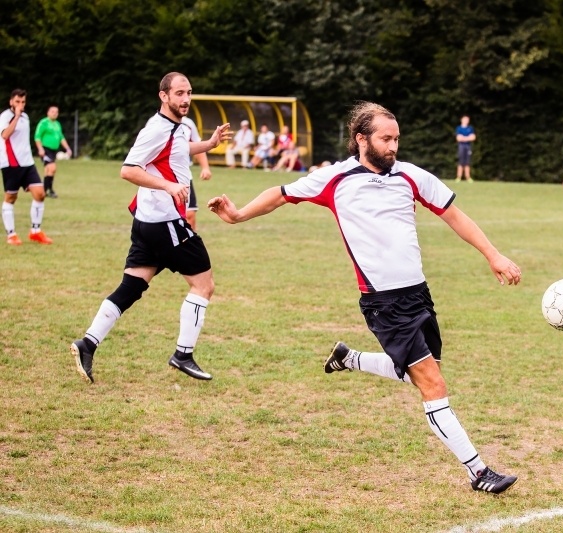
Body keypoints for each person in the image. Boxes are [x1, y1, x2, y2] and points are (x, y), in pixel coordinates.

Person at [208, 101, 522, 494]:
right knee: (431, 384)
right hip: (383, 301)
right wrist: (238, 215)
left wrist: (493, 254)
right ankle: (478, 472)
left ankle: (350, 359)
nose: (393, 147)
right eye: (385, 139)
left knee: (418, 372)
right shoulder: (334, 178)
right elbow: (280, 194)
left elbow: (453, 214)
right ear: (361, 139)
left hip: (418, 294)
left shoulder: (410, 176)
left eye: (396, 139)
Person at [70, 72, 232, 384]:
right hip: (165, 222)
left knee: (131, 287)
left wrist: (209, 143)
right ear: (164, 96)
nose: (185, 99)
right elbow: (128, 170)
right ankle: (183, 354)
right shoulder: (156, 128)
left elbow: (179, 150)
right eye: (179, 93)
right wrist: (169, 186)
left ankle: (87, 343)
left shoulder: (178, 127)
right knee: (203, 285)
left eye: (189, 92)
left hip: (147, 223)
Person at [1, 89, 53, 245]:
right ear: (11, 101)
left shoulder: (26, 117)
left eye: (23, 102)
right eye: (17, 101)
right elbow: (5, 135)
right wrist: (16, 116)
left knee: (40, 193)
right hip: (11, 163)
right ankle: (11, 234)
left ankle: (35, 231)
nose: (20, 105)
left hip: (27, 163)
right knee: (11, 197)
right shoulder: (5, 116)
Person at [34, 105, 72, 198]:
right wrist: (40, 149)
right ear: (48, 112)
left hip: (54, 150)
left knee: (49, 171)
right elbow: (37, 136)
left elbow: (61, 137)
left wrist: (67, 148)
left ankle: (47, 190)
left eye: (56, 112)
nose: (55, 113)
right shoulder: (44, 123)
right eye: (52, 111)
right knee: (52, 168)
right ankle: (45, 191)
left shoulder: (57, 124)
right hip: (45, 149)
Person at [181, 116, 213, 231]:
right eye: (179, 96)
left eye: (188, 96)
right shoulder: (156, 123)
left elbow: (197, 145)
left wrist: (205, 168)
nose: (185, 100)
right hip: (164, 178)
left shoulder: (188, 123)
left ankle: (189, 246)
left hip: (184, 177)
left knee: (189, 215)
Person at [455, 115, 475, 182]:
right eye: (465, 119)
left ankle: (468, 177)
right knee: (461, 162)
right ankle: (459, 177)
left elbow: (473, 137)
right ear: (462, 120)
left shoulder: (470, 128)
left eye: (467, 120)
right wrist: (468, 138)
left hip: (468, 147)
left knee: (467, 162)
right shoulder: (459, 128)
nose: (466, 121)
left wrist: (463, 138)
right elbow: (458, 138)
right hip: (461, 146)